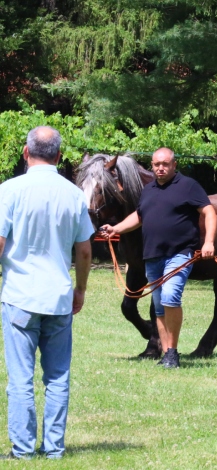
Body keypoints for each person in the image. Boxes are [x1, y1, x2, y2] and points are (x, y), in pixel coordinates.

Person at [0, 126, 93, 459]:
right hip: (58, 297)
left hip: (20, 296)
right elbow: (83, 251)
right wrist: (80, 289)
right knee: (57, 377)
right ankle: (54, 448)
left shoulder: (9, 190)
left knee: (21, 378)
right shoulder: (73, 195)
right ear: (58, 156)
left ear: (26, 153)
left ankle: (23, 449)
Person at [101, 148, 217, 369]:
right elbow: (139, 216)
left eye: (165, 164)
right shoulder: (148, 190)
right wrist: (116, 228)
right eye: (156, 164)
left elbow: (209, 212)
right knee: (159, 306)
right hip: (153, 256)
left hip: (180, 253)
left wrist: (209, 242)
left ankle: (172, 352)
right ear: (152, 166)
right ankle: (166, 354)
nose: (160, 168)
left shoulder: (188, 186)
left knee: (170, 297)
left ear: (174, 165)